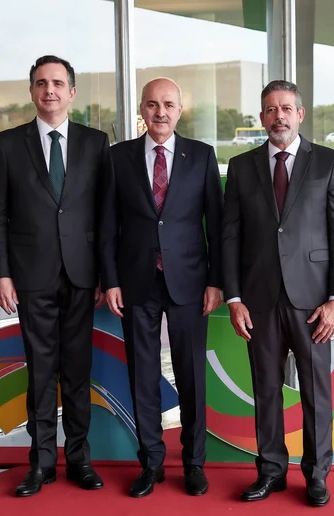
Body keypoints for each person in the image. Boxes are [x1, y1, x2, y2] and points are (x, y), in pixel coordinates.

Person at [221, 80, 334, 507]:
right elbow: (230, 238)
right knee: (265, 389)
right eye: (270, 109)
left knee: (317, 392)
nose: (278, 116)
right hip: (258, 300)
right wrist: (234, 297)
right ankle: (272, 472)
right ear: (261, 118)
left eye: (286, 109)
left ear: (300, 114)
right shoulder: (241, 167)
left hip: (313, 301)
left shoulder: (328, 162)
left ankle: (316, 475)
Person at [0, 55, 113, 498]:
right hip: (30, 276)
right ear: (32, 91)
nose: (50, 90)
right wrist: (0, 273)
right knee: (41, 372)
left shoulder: (97, 143)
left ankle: (79, 458)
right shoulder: (7, 144)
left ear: (72, 92)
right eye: (41, 83)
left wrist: (104, 272)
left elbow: (104, 214)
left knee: (77, 372)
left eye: (58, 83)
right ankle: (40, 463)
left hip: (82, 276)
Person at [100, 78, 223, 498]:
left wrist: (216, 281)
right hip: (137, 281)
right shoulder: (118, 158)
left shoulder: (202, 156)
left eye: (168, 104)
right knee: (143, 375)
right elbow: (106, 227)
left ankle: (193, 464)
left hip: (189, 282)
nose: (160, 112)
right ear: (142, 109)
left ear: (180, 109)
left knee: (191, 377)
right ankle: (151, 463)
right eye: (152, 104)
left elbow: (217, 226)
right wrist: (110, 279)